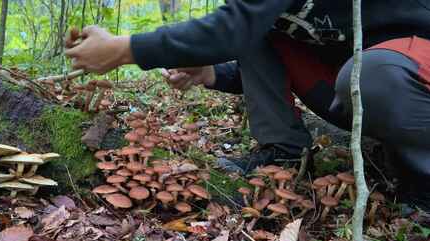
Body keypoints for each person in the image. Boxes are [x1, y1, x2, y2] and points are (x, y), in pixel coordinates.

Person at [65, 1, 430, 213]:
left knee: (374, 76)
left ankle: (422, 182)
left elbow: (231, 29)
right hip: (357, 82)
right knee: (264, 32)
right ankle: (283, 154)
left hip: (412, 68)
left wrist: (125, 48)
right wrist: (212, 74)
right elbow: (257, 43)